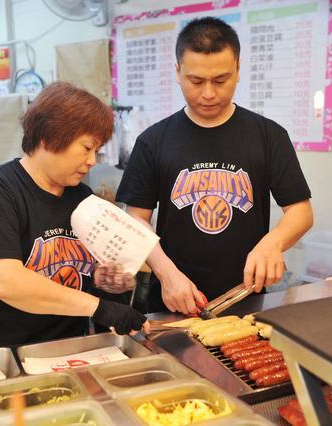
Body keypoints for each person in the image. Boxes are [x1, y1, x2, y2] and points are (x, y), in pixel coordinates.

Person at [116, 17, 313, 315]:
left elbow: (301, 212)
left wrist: (273, 243)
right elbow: (136, 220)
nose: (208, 93)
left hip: (246, 297)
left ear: (237, 71)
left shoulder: (268, 135)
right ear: (178, 72)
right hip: (173, 298)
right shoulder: (153, 141)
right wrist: (167, 274)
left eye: (220, 80)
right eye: (196, 81)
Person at [0, 82, 149, 354]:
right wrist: (100, 308)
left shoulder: (82, 198)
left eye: (95, 151)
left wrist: (105, 279)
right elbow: (8, 282)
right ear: (49, 136)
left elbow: (93, 265)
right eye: (86, 148)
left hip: (59, 353)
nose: (91, 161)